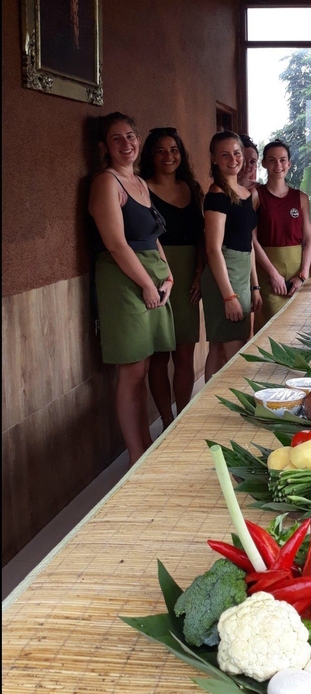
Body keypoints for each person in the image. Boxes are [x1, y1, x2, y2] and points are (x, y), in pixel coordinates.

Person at [88, 112, 175, 465]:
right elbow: (115, 243)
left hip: (151, 278)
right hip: (124, 281)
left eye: (130, 136)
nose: (126, 144)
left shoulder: (138, 181)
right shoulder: (106, 182)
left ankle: (146, 445)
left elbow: (153, 236)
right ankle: (136, 454)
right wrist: (147, 284)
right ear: (104, 147)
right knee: (131, 371)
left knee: (147, 366)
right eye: (116, 138)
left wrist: (168, 276)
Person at [139, 127, 204, 427]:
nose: (169, 156)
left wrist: (199, 274)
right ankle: (166, 420)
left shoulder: (192, 188)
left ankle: (182, 419)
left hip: (188, 275)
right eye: (161, 150)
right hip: (156, 275)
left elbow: (202, 237)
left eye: (174, 150)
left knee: (185, 352)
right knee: (159, 355)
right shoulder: (141, 188)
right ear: (150, 155)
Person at [201, 132, 262, 379]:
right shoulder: (217, 194)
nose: (233, 159)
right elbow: (213, 249)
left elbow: (249, 243)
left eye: (236, 153)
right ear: (214, 159)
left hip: (241, 275)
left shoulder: (245, 193)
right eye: (224, 154)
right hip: (224, 279)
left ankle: (206, 403)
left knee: (220, 347)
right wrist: (229, 296)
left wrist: (255, 286)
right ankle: (220, 402)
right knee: (233, 352)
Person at [253, 139, 311, 329]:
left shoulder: (301, 197)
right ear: (264, 163)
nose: (278, 165)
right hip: (268, 273)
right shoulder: (256, 195)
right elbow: (252, 239)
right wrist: (273, 274)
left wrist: (302, 275)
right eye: (272, 160)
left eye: (282, 160)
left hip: (297, 276)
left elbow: (308, 240)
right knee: (273, 329)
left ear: (289, 164)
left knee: (298, 328)